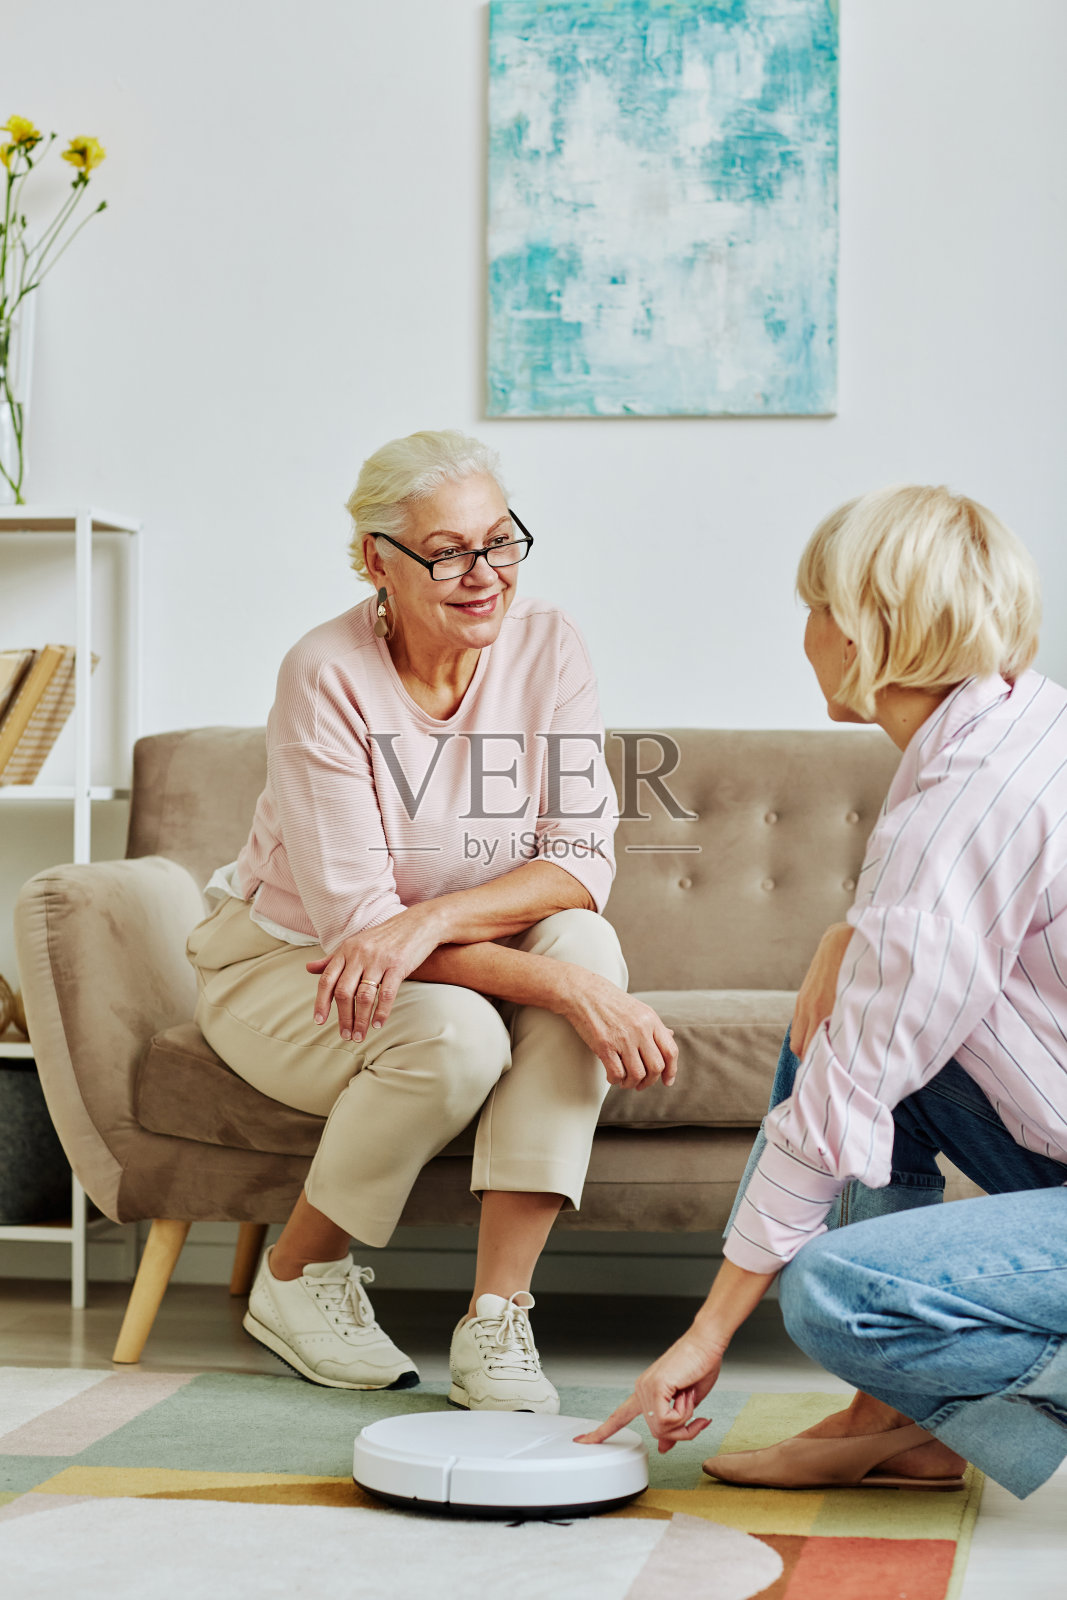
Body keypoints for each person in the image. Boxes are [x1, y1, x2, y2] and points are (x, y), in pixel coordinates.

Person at [581, 484, 1067, 1500]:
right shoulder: (1009, 724)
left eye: (813, 606)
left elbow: (837, 1100)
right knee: (833, 1026)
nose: (802, 630)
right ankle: (894, 1423)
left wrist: (703, 1334)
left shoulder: (968, 799)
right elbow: (917, 989)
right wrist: (844, 938)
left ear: (858, 633)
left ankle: (920, 1407)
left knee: (834, 1294)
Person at [187, 429, 677, 1411]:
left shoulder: (546, 642)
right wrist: (565, 990)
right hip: (285, 965)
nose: (481, 574)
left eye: (499, 542)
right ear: (377, 558)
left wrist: (436, 923)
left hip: (423, 948)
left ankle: (497, 1317)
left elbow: (580, 860)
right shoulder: (323, 672)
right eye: (446, 551)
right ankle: (294, 1277)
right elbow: (356, 925)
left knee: (587, 937)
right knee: (464, 1033)